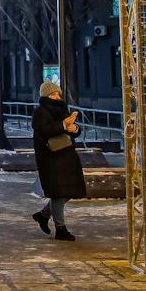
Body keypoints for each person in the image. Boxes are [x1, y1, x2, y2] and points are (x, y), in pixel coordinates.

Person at [30, 80, 85, 240]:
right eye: (53, 94)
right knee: (58, 193)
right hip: (51, 157)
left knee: (68, 191)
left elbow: (71, 129)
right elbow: (45, 130)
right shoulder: (40, 112)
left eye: (58, 93)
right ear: (46, 95)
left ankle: (43, 215)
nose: (57, 96)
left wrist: (75, 129)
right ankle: (61, 229)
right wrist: (63, 125)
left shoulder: (62, 110)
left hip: (66, 156)